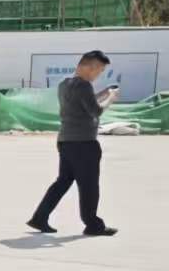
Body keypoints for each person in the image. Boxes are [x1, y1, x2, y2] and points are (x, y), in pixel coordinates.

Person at [28, 50, 119, 237]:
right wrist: (111, 98)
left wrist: (104, 93)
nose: (99, 74)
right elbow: (96, 111)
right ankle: (93, 225)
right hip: (83, 143)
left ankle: (39, 217)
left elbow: (83, 103)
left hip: (66, 141)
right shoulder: (84, 86)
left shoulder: (65, 84)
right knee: (89, 185)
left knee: (63, 182)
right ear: (90, 67)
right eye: (100, 70)